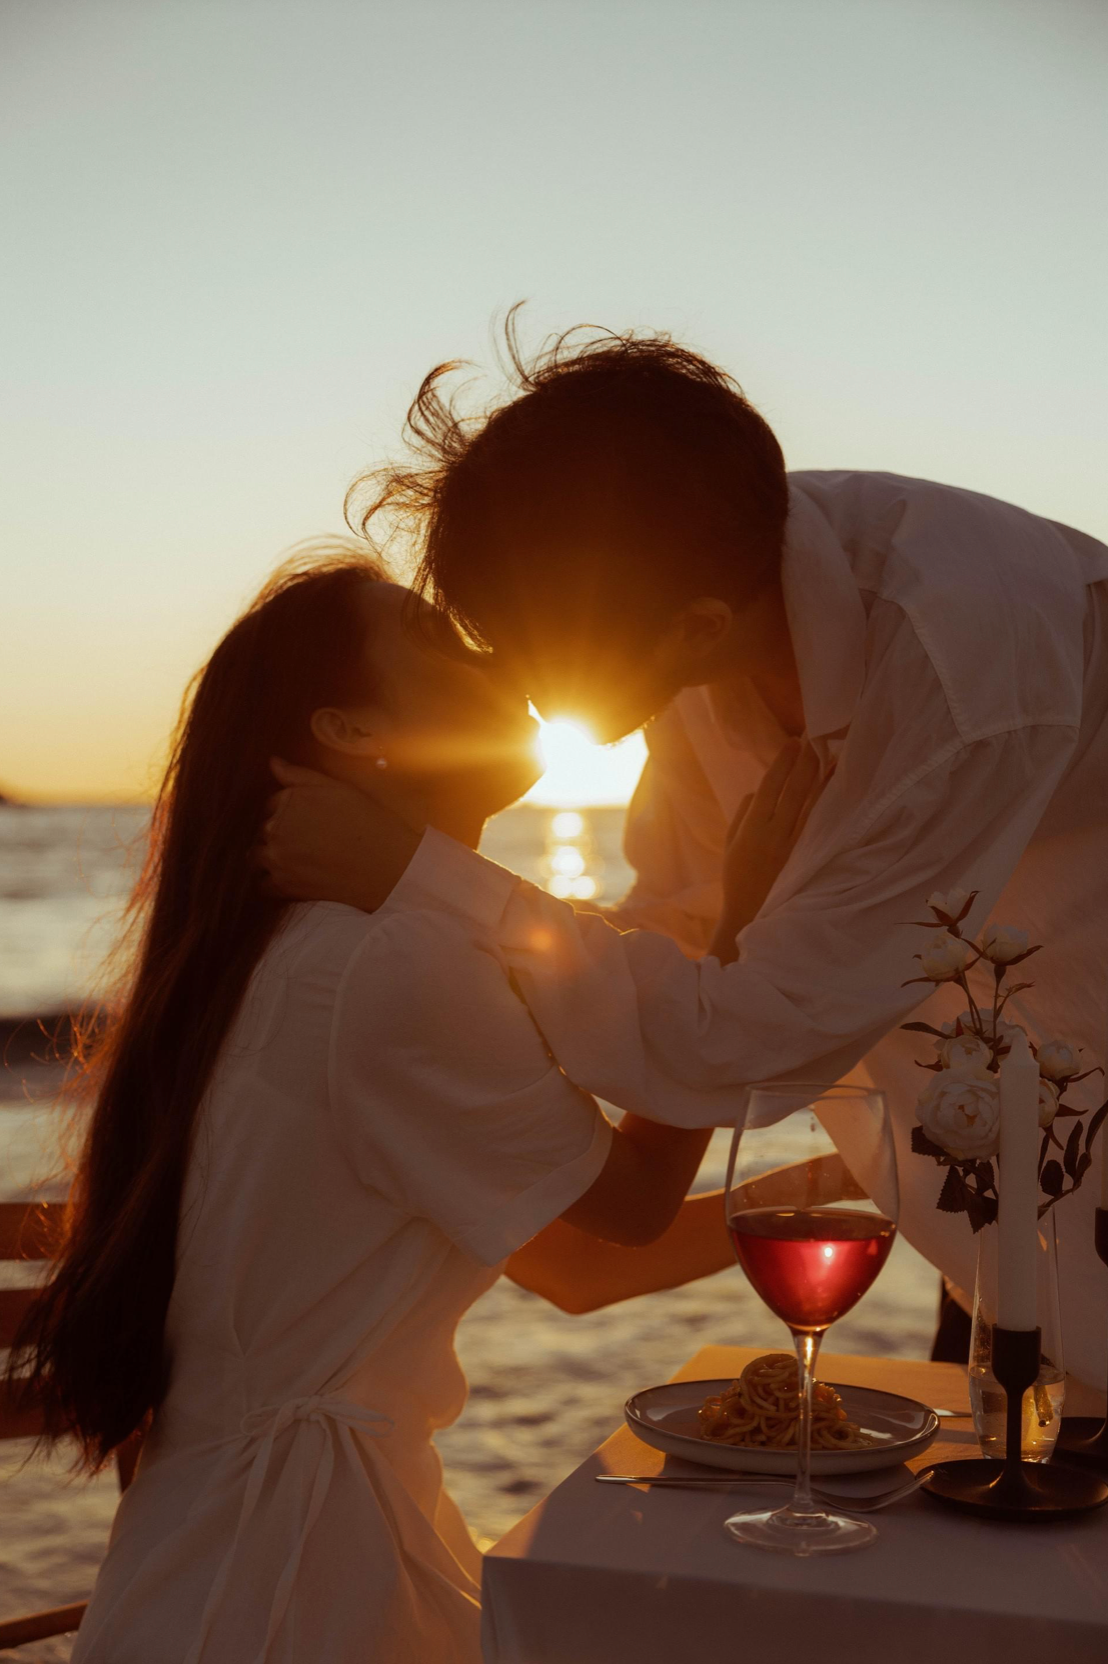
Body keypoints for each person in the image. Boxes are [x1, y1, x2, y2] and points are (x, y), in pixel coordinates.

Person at [260, 321, 1108, 1391]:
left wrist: (417, 873)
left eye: (531, 645)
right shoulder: (679, 595)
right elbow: (684, 928)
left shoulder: (965, 670)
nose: (514, 680)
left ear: (695, 628)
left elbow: (747, 1037)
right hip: (987, 1184)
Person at [7, 546, 818, 1664]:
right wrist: (738, 940)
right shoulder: (387, 962)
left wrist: (819, 1184)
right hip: (295, 1583)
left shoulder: (300, 945)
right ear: (350, 729)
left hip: (217, 1556)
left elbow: (572, 1267)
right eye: (439, 639)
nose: (493, 656)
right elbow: (625, 1213)